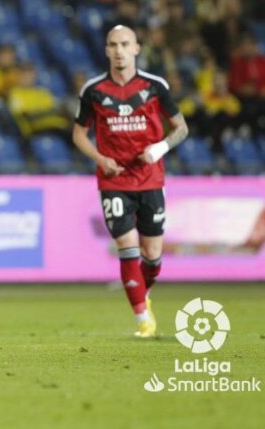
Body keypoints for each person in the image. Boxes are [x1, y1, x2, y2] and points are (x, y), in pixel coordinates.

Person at [72, 25, 188, 339]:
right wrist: (100, 159)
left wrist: (160, 147)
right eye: (113, 45)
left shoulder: (155, 85)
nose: (119, 50)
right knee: (126, 245)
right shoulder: (94, 90)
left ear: (136, 48)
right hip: (114, 180)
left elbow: (181, 128)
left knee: (152, 255)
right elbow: (78, 133)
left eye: (125, 44)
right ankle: (143, 318)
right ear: (106, 50)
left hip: (151, 179)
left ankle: (142, 293)